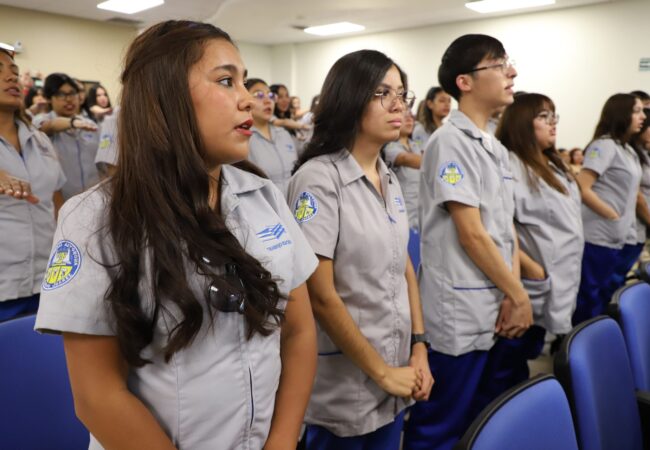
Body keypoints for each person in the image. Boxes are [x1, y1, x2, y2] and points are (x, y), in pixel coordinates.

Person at [35, 20, 318, 450]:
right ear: (165, 97)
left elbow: (298, 332)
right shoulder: (94, 217)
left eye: (244, 81)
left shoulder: (265, 198)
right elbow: (98, 396)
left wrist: (281, 441)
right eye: (226, 81)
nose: (247, 99)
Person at [287, 49, 433, 450]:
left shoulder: (388, 176)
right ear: (349, 98)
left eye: (401, 94)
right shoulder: (319, 180)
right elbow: (320, 294)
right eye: (382, 93)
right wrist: (382, 372)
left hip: (396, 374)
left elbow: (404, 266)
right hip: (346, 388)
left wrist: (419, 346)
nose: (398, 105)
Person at [404, 34, 531, 450]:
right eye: (499, 65)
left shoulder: (492, 145)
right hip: (459, 310)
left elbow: (504, 230)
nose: (512, 72)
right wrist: (518, 295)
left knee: (480, 418)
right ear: (465, 82)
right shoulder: (449, 143)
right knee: (441, 425)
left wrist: (513, 292)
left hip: (492, 302)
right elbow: (472, 233)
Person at [489, 93, 583, 392]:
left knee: (522, 360)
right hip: (530, 282)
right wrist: (533, 269)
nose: (553, 123)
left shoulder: (552, 163)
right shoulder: (510, 164)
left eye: (554, 116)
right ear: (521, 122)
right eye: (544, 117)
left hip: (556, 279)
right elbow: (500, 225)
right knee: (505, 366)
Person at [0, 43, 66, 321]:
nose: (11, 77)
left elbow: (57, 204)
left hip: (46, 282)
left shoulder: (39, 140)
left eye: (14, 71)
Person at [572, 93, 647, 325]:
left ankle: (598, 337)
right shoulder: (603, 145)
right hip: (598, 235)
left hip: (617, 237)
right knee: (590, 295)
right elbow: (582, 187)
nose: (643, 117)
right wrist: (611, 214)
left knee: (605, 293)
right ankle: (580, 341)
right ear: (621, 114)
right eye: (636, 111)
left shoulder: (627, 149)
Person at [33, 72, 100, 200]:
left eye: (72, 93)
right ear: (49, 98)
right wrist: (72, 123)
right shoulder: (40, 120)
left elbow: (101, 165)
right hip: (60, 202)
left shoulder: (90, 124)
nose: (69, 99)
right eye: (61, 94)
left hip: (93, 199)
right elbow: (50, 126)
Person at [245, 78, 298, 195]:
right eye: (259, 95)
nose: (268, 100)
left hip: (293, 202)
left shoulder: (283, 134)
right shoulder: (244, 138)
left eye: (270, 95)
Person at [383, 109, 422, 231]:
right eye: (404, 116)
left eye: (411, 116)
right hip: (403, 216)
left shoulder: (416, 145)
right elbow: (406, 159)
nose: (409, 119)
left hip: (421, 216)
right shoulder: (389, 147)